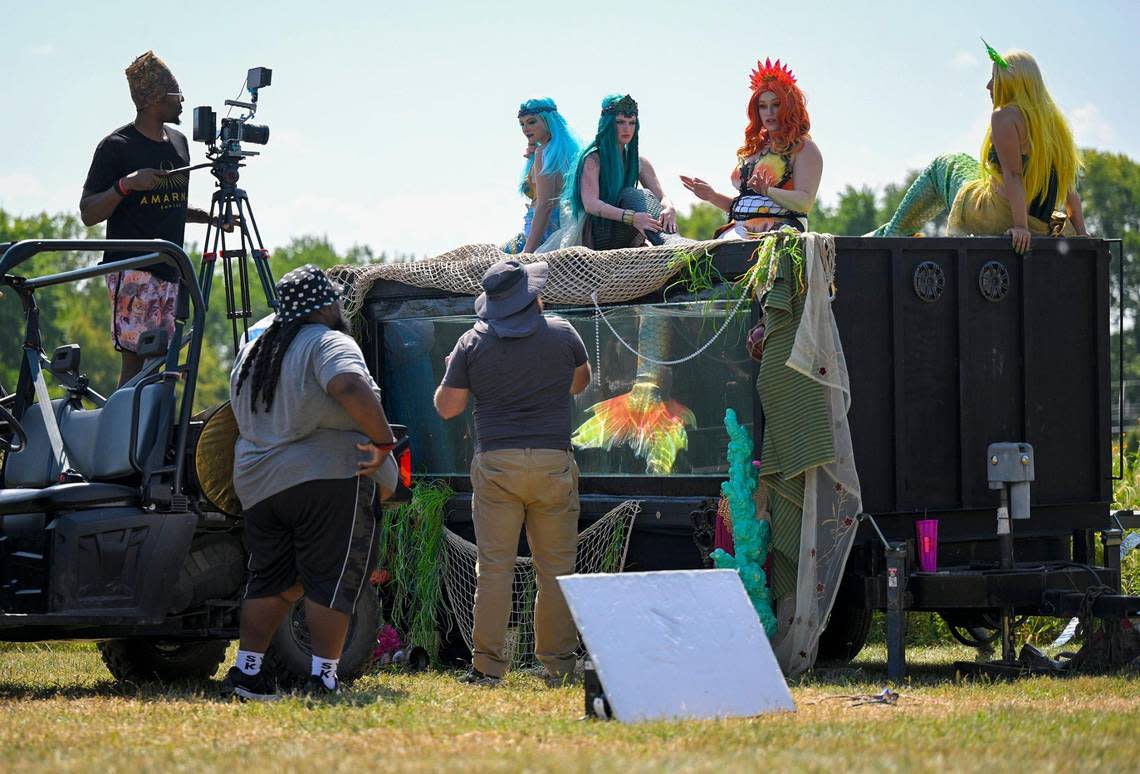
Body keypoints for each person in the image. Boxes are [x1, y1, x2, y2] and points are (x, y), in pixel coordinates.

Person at [221, 265, 398, 700]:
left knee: (271, 581)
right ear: (326, 304)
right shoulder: (329, 341)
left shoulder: (255, 351)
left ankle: (247, 672)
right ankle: (324, 679)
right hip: (327, 477)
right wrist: (384, 441)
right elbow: (348, 385)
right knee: (331, 580)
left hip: (260, 482)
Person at [434, 260, 591, 686]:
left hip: (497, 465)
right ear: (533, 297)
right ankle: (558, 665)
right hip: (553, 462)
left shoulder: (471, 343)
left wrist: (454, 366)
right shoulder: (563, 333)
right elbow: (580, 383)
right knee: (556, 569)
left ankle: (487, 667)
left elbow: (447, 408)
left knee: (495, 568)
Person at [80, 51, 224, 386]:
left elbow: (166, 204)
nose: (182, 101)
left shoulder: (179, 143)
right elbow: (89, 213)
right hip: (131, 268)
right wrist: (126, 185)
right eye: (176, 95)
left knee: (159, 363)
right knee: (135, 363)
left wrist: (210, 218)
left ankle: (150, 435)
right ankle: (126, 436)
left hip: (169, 268)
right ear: (153, 100)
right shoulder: (116, 146)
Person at [870, 42, 1087, 250]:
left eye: (994, 78)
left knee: (945, 163)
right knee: (974, 170)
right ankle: (882, 233)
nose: (989, 86)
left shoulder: (1005, 117)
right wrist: (1081, 231)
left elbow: (1013, 175)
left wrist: (1020, 227)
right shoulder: (1053, 123)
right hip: (1037, 221)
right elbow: (1068, 185)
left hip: (995, 214)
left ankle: (891, 234)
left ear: (1011, 82)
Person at [680, 58, 822, 237]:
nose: (769, 112)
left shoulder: (804, 148)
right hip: (737, 229)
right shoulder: (755, 148)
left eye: (776, 105)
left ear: (789, 107)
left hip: (779, 232)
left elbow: (805, 202)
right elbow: (746, 204)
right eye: (762, 106)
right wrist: (712, 196)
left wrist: (768, 191)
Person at [541, 94, 678, 251]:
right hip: (599, 233)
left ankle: (672, 242)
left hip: (628, 230)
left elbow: (662, 197)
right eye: (620, 122)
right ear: (608, 124)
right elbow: (591, 204)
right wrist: (632, 217)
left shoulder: (640, 162)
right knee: (631, 194)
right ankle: (669, 245)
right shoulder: (593, 159)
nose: (627, 128)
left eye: (631, 123)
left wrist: (670, 207)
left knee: (642, 195)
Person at [501, 98, 580, 255]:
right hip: (558, 227)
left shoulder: (543, 153)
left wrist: (528, 251)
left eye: (531, 122)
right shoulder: (565, 151)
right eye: (522, 124)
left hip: (543, 234)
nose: (525, 128)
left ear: (548, 121)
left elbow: (545, 205)